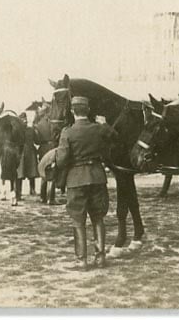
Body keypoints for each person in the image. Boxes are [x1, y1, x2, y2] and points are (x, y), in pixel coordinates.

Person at [55, 96, 117, 270]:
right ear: (88, 110)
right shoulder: (98, 129)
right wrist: (104, 124)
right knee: (98, 218)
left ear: (72, 111)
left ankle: (81, 260)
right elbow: (115, 137)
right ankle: (100, 258)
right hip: (97, 177)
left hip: (76, 180)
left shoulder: (67, 132)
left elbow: (61, 161)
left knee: (78, 220)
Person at [16, 112, 39, 200]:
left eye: (25, 120)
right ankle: (21, 192)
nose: (24, 121)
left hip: (26, 152)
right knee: (23, 173)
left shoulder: (29, 130)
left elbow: (37, 140)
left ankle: (29, 190)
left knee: (29, 172)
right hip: (24, 152)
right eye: (23, 120)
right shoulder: (21, 130)